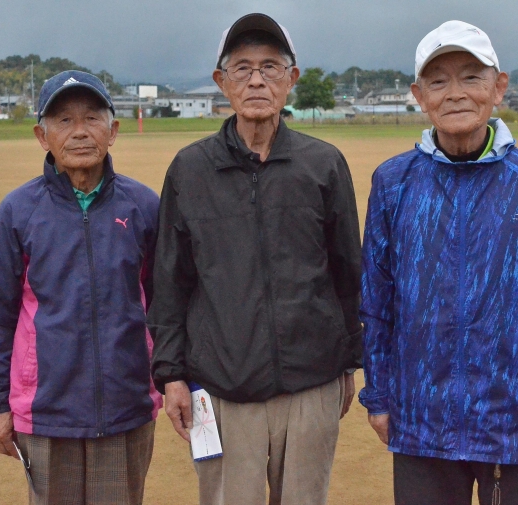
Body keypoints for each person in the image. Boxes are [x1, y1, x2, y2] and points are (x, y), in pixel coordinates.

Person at [359, 20, 518, 505]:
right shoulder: (393, 184)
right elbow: (376, 302)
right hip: (421, 421)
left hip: (517, 425)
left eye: (471, 76)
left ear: (498, 87)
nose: (455, 93)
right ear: (418, 94)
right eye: (438, 80)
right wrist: (380, 396)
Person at [148, 13, 362, 505]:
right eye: (241, 69)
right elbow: (170, 282)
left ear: (293, 78)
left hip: (312, 382)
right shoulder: (190, 169)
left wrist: (348, 361)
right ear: (221, 82)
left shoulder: (323, 164)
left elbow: (348, 271)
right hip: (222, 388)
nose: (257, 80)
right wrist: (172, 374)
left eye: (271, 66)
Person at [0, 70, 162, 505]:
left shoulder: (144, 207)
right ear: (42, 136)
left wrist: (171, 379)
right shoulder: (18, 211)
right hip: (45, 412)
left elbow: (165, 304)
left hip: (125, 407)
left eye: (92, 118)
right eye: (63, 120)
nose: (79, 132)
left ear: (112, 131)